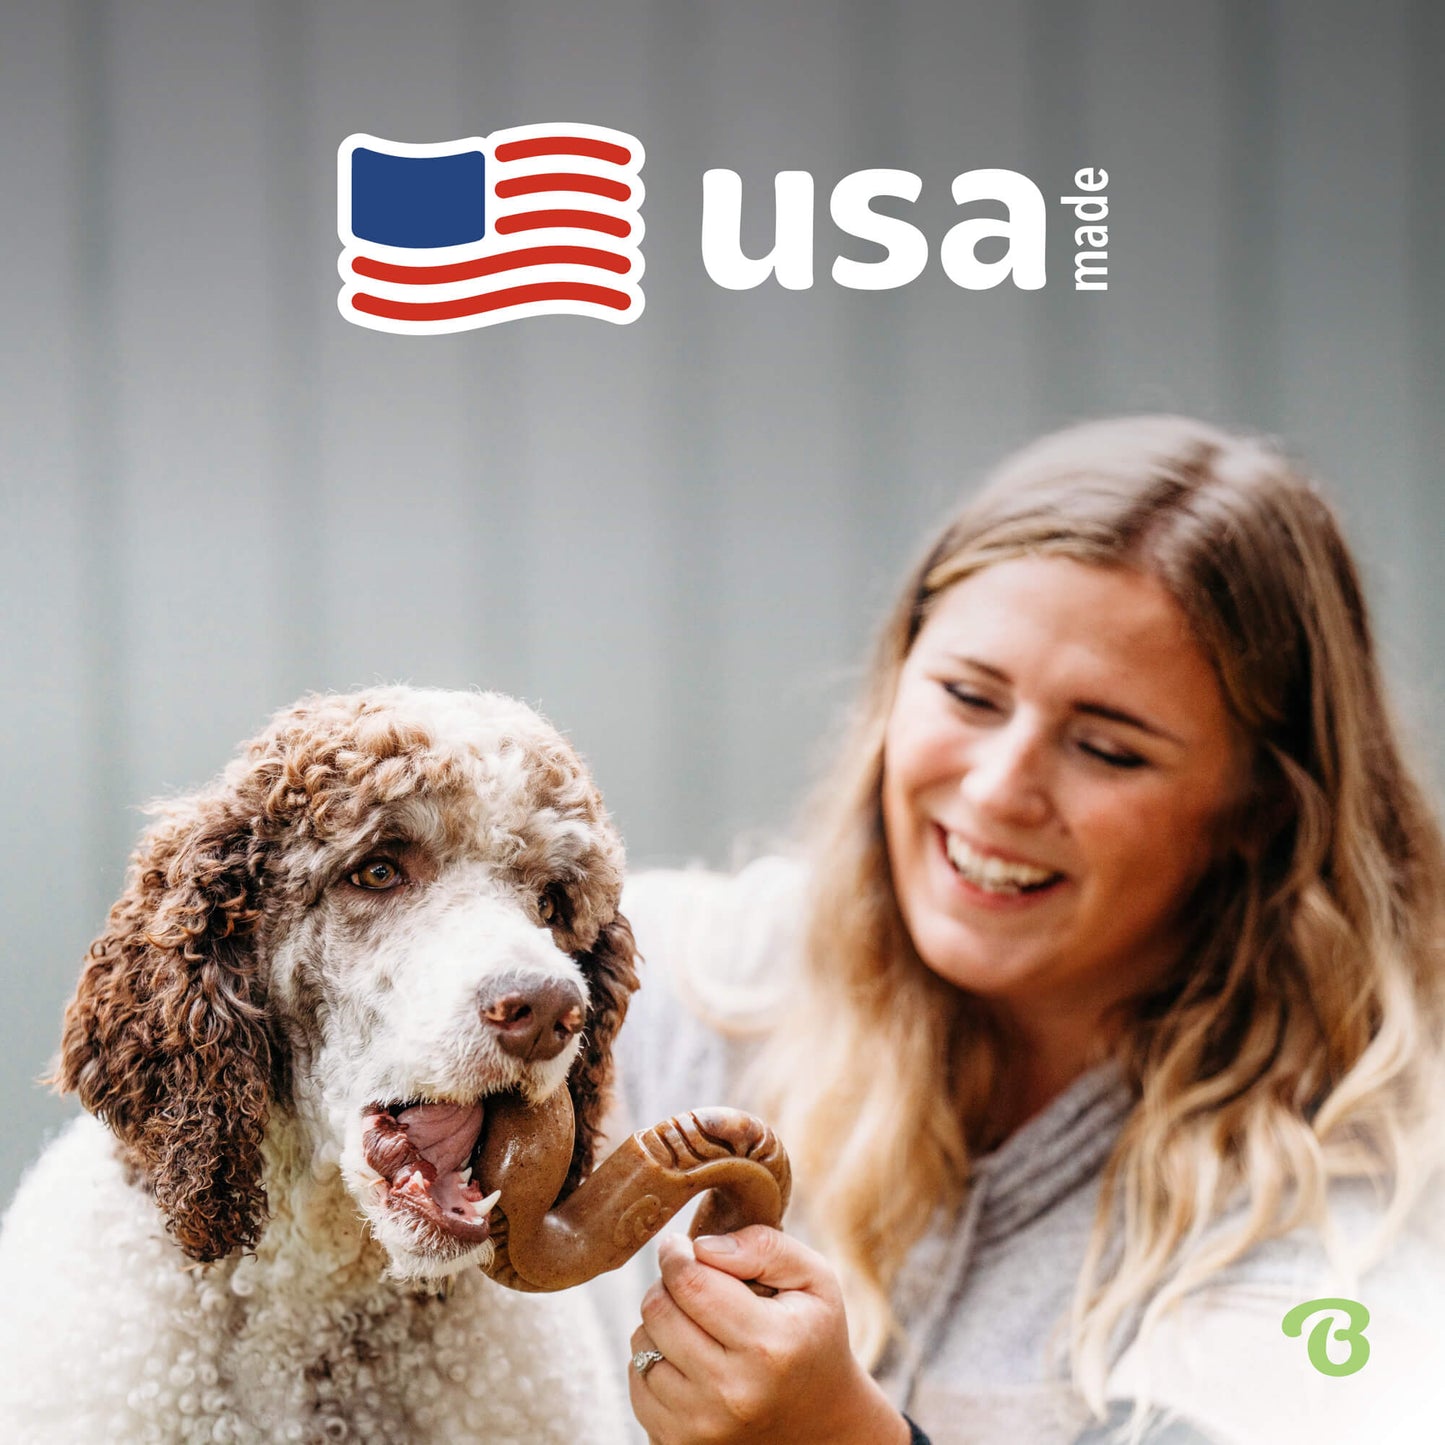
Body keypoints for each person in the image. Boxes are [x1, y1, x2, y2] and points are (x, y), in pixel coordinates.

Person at [596, 415, 1445, 1445]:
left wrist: (840, 1436)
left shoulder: (1368, 1198)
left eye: (1105, 748)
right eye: (966, 693)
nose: (997, 790)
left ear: (1257, 808)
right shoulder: (670, 981)